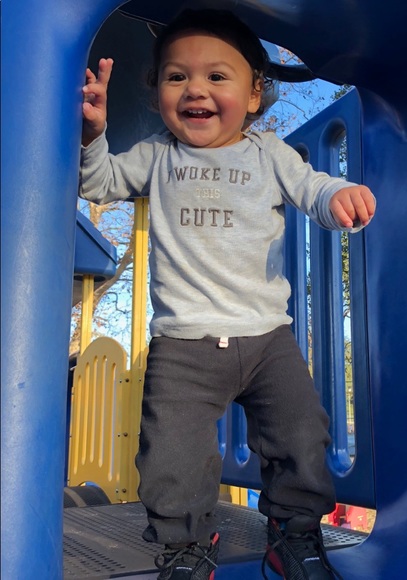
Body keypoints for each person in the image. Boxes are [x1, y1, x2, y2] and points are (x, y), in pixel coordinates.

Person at [79, 9, 375, 580]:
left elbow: (312, 186)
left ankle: (293, 534)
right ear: (157, 92)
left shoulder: (269, 153)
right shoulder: (158, 155)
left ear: (255, 93)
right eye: (176, 77)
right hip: (184, 344)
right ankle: (187, 547)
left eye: (217, 76)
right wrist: (93, 137)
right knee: (171, 454)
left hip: (267, 336)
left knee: (301, 434)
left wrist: (338, 196)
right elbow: (100, 182)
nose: (196, 89)